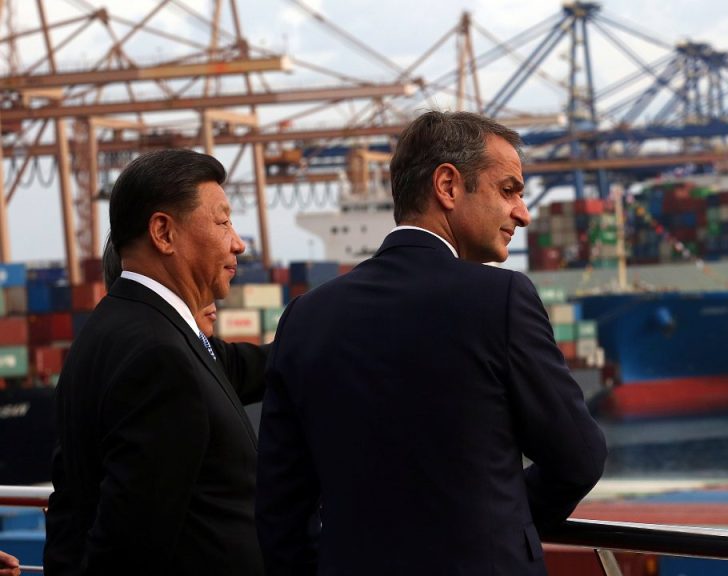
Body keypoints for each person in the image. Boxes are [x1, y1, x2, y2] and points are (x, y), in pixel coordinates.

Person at [256, 111, 607, 575]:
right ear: (447, 186)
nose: (522, 213)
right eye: (509, 190)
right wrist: (497, 526)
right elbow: (578, 458)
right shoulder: (501, 297)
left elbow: (281, 510)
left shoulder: (305, 315)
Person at [45, 149, 264, 576]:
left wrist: (326, 327)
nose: (237, 242)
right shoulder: (159, 357)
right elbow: (129, 548)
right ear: (163, 233)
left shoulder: (115, 327)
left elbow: (235, 367)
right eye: (223, 222)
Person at [100, 237, 268, 389]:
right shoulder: (162, 361)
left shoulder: (204, 351)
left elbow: (261, 363)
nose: (215, 295)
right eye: (196, 278)